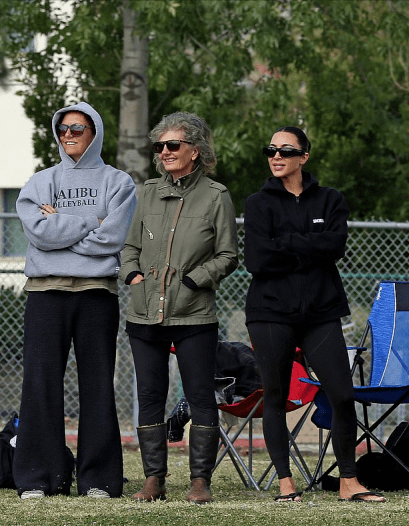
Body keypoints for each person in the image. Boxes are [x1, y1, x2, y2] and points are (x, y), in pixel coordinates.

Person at [243, 126, 385, 503]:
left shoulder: (330, 200)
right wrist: (308, 245)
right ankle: (286, 483)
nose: (276, 156)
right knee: (274, 396)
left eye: (286, 151)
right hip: (270, 311)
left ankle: (349, 482)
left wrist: (283, 243)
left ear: (304, 157)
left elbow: (334, 247)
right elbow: (256, 260)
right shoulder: (258, 203)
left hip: (321, 312)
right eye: (270, 150)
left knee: (342, 395)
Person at [14, 102, 137, 499]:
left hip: (96, 293)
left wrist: (61, 224)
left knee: (97, 384)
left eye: (78, 128)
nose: (69, 134)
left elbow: (113, 238)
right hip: (45, 292)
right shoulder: (40, 182)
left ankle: (98, 479)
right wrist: (91, 221)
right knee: (39, 383)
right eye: (63, 128)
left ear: (95, 132)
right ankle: (37, 477)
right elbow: (39, 234)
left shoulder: (118, 182)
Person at [120, 112, 238, 504]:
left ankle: (199, 481)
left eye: (173, 145)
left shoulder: (216, 196)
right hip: (144, 314)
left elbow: (227, 255)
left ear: (196, 150)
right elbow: (130, 247)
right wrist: (133, 275)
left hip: (194, 315)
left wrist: (193, 281)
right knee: (150, 395)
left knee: (201, 395)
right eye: (160, 147)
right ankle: (154, 479)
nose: (165, 152)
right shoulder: (148, 191)